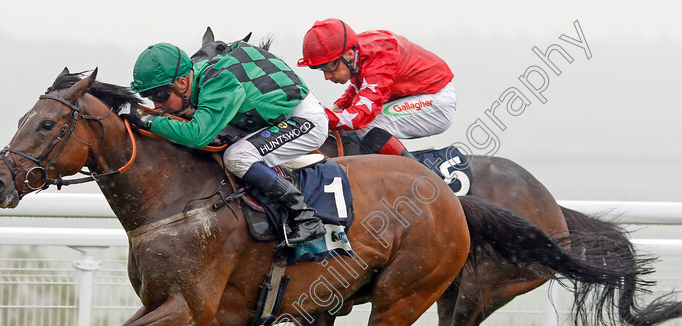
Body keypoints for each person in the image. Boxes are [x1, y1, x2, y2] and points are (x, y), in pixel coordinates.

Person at [128, 42, 328, 246]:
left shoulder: (219, 81)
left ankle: (304, 216)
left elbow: (198, 135)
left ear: (181, 83)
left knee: (237, 157)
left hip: (305, 121)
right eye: (148, 96)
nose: (156, 105)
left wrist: (147, 120)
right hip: (274, 116)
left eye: (159, 95)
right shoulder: (200, 77)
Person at [297, 19, 456, 158]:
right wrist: (332, 110)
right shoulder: (358, 52)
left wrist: (318, 117)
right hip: (418, 96)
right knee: (349, 127)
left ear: (348, 55)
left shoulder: (380, 57)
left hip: (436, 101)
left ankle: (417, 178)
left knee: (367, 125)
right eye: (322, 70)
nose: (327, 76)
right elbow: (354, 95)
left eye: (330, 66)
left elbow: (359, 118)